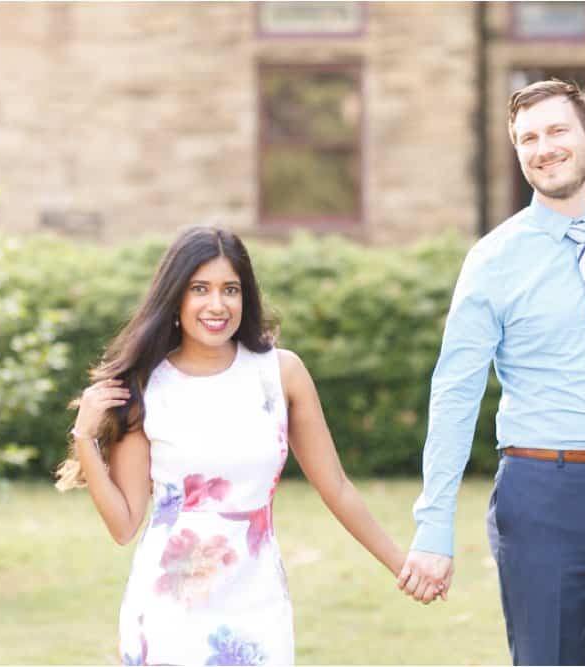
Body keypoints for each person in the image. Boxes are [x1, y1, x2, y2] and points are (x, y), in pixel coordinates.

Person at [397, 79, 585, 665]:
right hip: (546, 498)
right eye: (527, 138)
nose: (544, 148)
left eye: (557, 131)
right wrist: (434, 526)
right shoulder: (493, 259)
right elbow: (455, 394)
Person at [55, 226, 423, 666]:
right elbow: (123, 525)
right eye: (200, 289)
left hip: (258, 603)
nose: (217, 304)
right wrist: (84, 439)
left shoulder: (280, 373)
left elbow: (337, 487)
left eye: (230, 289)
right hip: (169, 610)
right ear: (175, 300)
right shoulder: (145, 386)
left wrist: (402, 564)